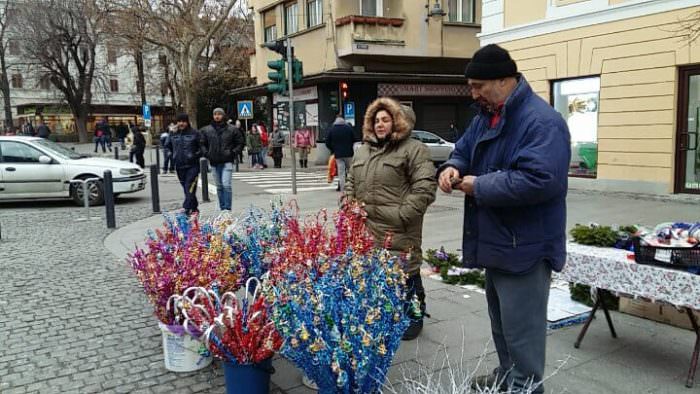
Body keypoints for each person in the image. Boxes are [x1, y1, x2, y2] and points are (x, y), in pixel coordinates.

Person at [436, 44, 571, 393]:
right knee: (503, 326)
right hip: (500, 241)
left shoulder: (542, 122)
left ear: (504, 80)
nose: (473, 92)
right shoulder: (487, 115)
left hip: (525, 247)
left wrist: (478, 185)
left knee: (522, 333)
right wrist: (453, 167)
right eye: (471, 85)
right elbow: (464, 149)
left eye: (478, 85)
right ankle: (508, 377)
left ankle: (524, 386)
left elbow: (539, 180)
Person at [345, 97, 437, 341]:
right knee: (375, 273)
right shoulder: (362, 150)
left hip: (398, 227)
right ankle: (384, 314)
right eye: (376, 120)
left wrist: (403, 215)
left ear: (397, 122)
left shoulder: (414, 149)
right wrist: (349, 206)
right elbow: (350, 182)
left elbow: (425, 187)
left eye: (386, 119)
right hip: (366, 227)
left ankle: (414, 316)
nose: (380, 124)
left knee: (406, 273)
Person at [200, 108, 245, 211]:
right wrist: (207, 153)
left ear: (223, 115)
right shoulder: (207, 130)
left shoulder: (232, 129)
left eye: (219, 114)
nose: (217, 116)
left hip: (227, 161)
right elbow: (202, 143)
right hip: (214, 161)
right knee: (219, 186)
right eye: (215, 114)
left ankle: (227, 208)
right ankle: (222, 207)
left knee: (226, 184)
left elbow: (240, 142)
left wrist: (233, 152)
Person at [166, 113, 201, 216]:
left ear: (187, 122)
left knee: (189, 187)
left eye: (183, 121)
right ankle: (194, 209)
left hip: (192, 166)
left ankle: (185, 210)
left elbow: (202, 147)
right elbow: (167, 146)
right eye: (179, 121)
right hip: (179, 166)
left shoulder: (194, 133)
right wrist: (171, 155)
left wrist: (194, 155)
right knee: (187, 190)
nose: (181, 123)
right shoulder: (173, 134)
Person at [325, 114, 355, 192]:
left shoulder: (332, 129)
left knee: (341, 173)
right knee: (351, 171)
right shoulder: (348, 128)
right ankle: (352, 188)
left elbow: (327, 142)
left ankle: (343, 190)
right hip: (349, 154)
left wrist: (333, 149)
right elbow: (354, 138)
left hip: (338, 154)